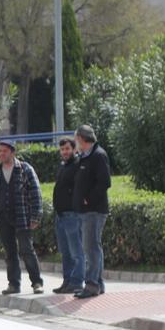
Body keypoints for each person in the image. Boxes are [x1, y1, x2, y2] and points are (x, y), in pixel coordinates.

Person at [0, 139, 45, 295]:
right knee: (10, 252)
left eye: (4, 151)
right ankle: (13, 284)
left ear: (12, 152)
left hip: (22, 216)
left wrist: (36, 217)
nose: (1, 154)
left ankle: (37, 282)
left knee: (26, 249)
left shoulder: (25, 169)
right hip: (2, 217)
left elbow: (36, 194)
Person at [72, 124, 111, 299]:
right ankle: (98, 283)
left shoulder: (98, 155)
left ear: (81, 138)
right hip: (86, 211)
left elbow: (105, 182)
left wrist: (89, 199)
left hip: (94, 210)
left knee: (91, 248)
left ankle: (91, 284)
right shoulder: (85, 156)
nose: (76, 142)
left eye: (76, 139)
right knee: (93, 247)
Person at [52, 137, 85, 294]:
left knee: (76, 251)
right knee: (65, 252)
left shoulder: (78, 165)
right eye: (62, 149)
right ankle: (67, 281)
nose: (65, 152)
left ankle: (77, 282)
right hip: (60, 216)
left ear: (74, 149)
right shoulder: (63, 166)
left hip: (72, 215)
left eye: (67, 149)